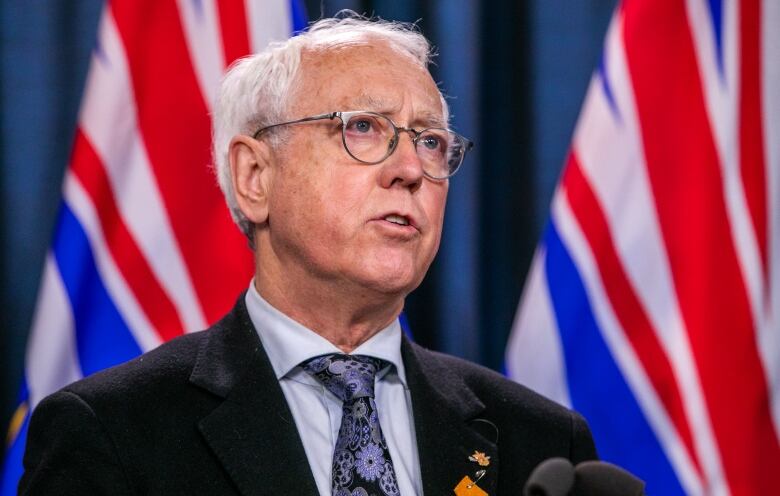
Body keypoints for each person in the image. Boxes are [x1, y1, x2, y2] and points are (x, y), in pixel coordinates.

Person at [19, 13, 596, 496]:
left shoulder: (542, 441)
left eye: (430, 141)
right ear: (254, 177)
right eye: (364, 128)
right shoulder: (112, 433)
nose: (411, 170)